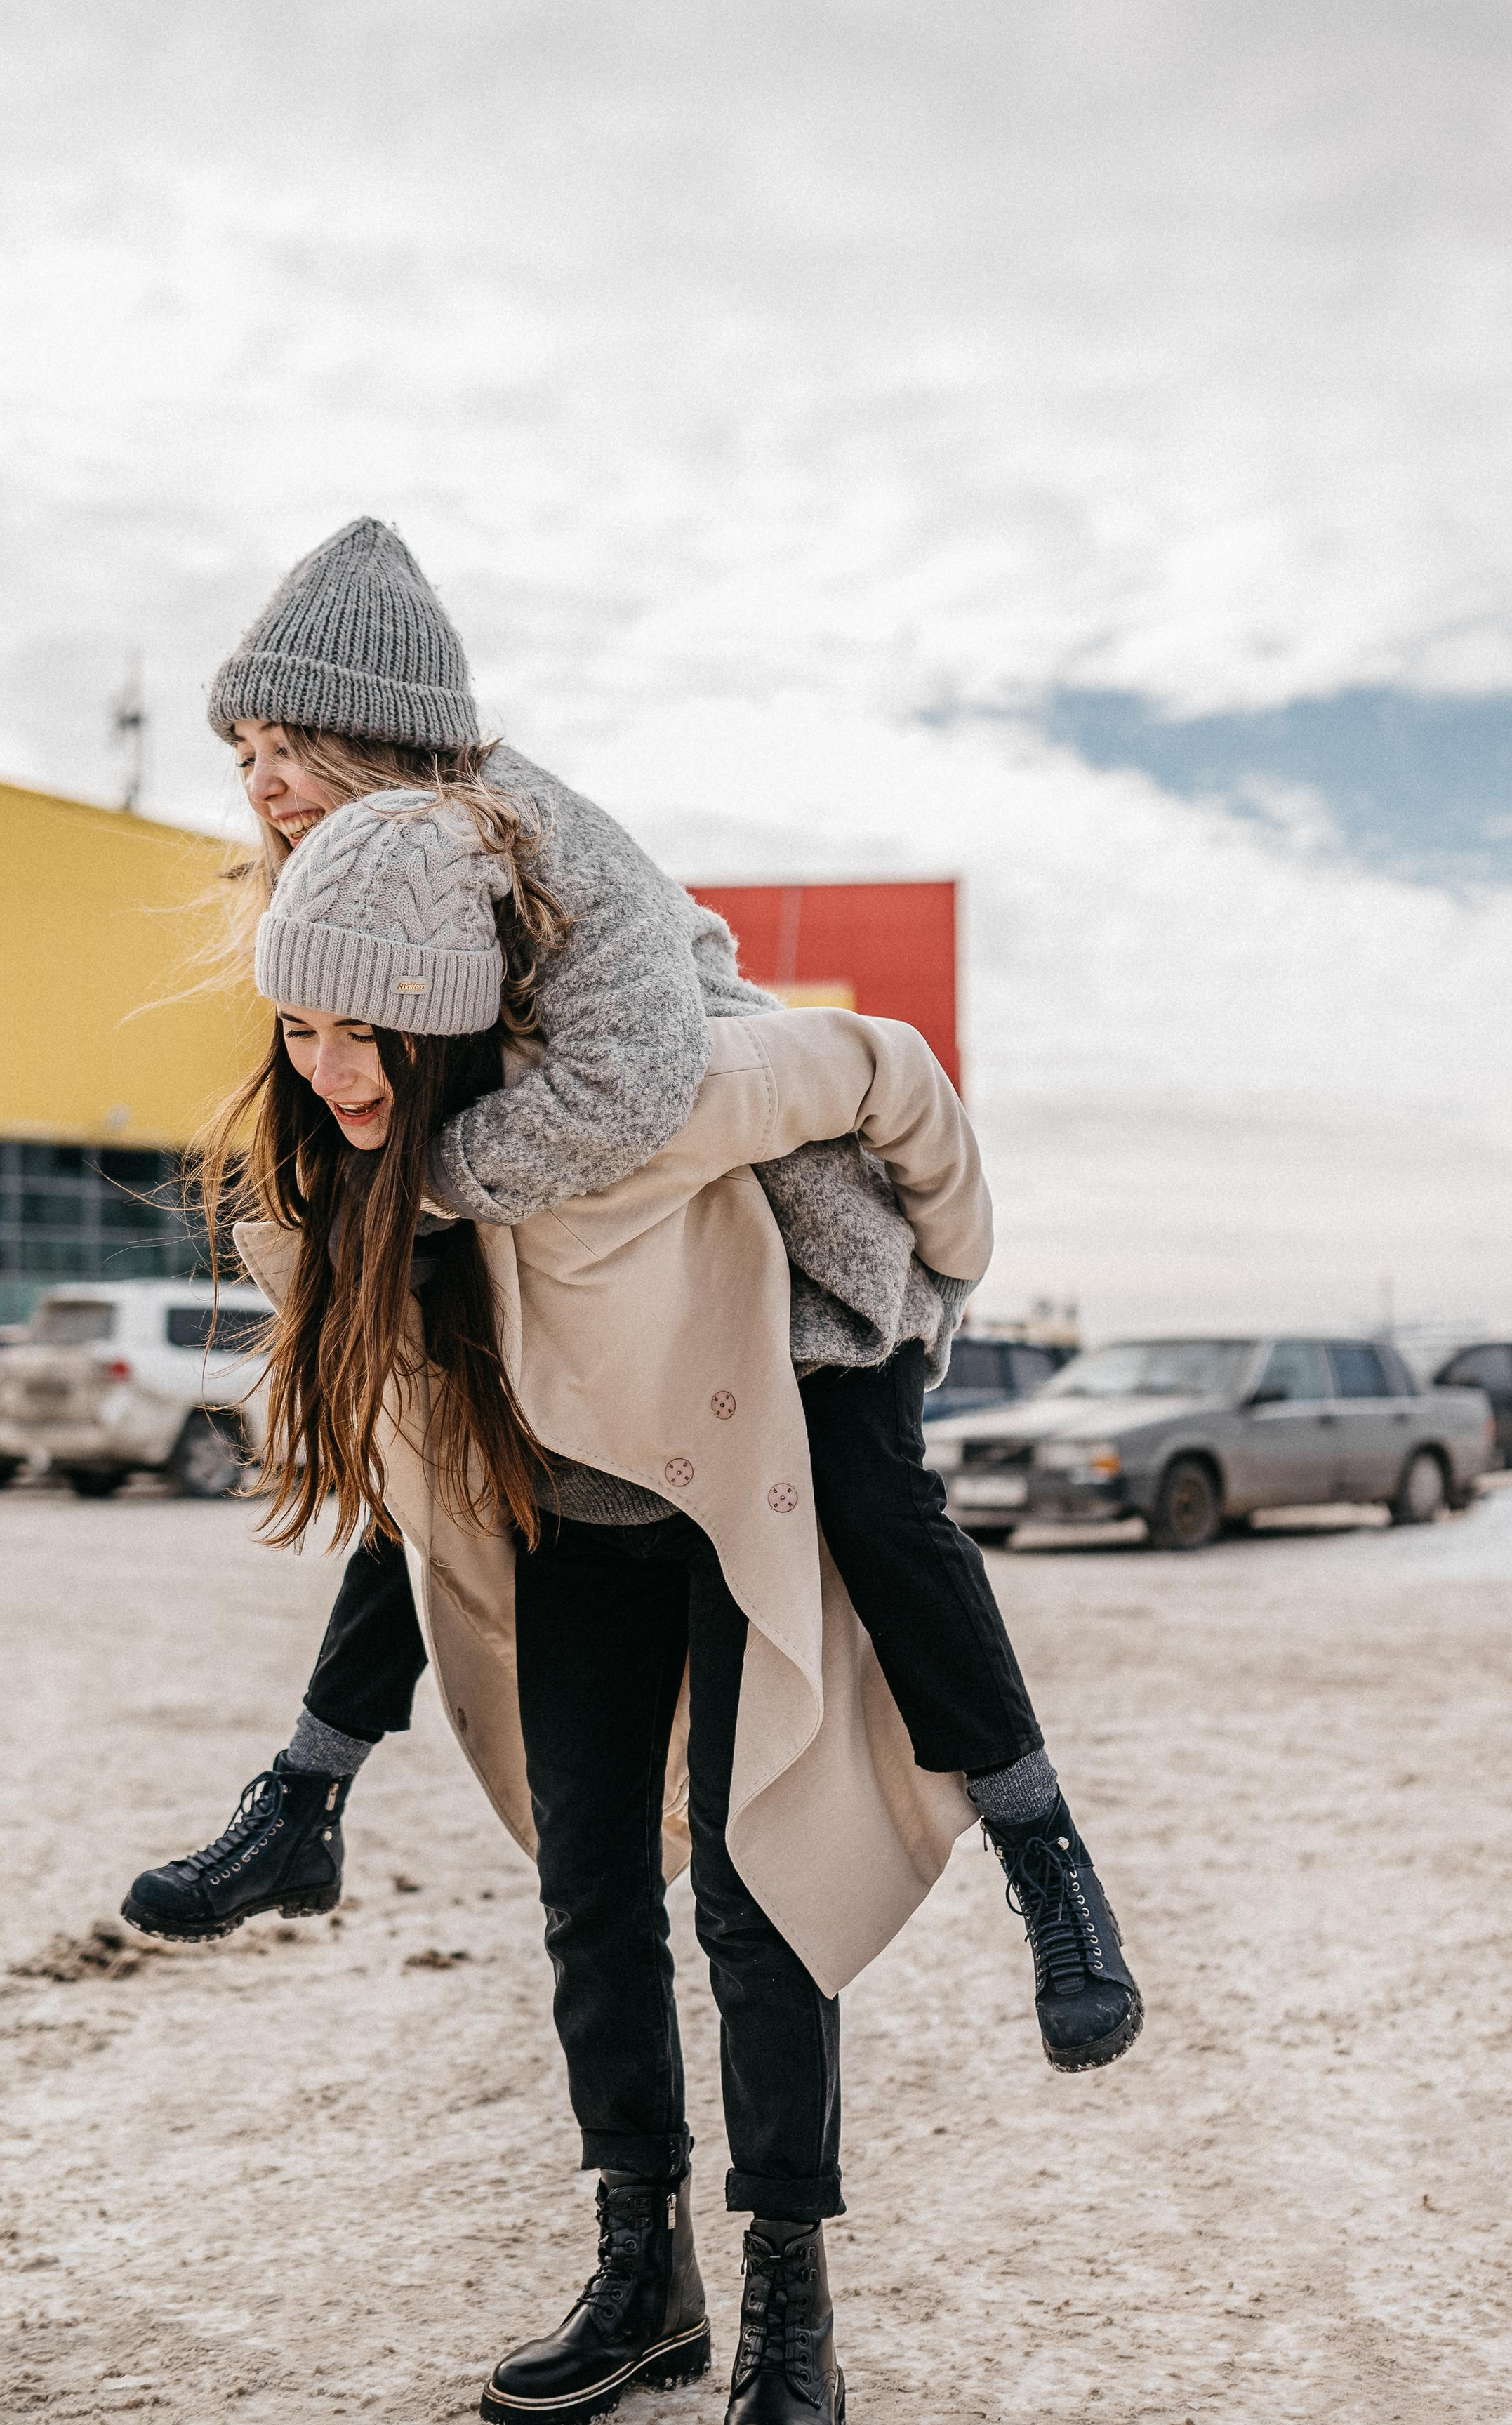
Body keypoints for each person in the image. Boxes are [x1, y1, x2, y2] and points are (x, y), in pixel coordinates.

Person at [140, 782, 1121, 2425]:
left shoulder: (641, 1103)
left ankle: (787, 2305)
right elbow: (405, 1469)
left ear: (447, 1018)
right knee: (589, 1884)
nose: (331, 1068)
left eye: (365, 1033)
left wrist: (943, 1285)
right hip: (576, 1517)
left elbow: (884, 1061)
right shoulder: (349, 1166)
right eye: (299, 1030)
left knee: (756, 1901)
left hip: (741, 1486)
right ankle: (640, 2267)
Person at [126, 517, 1144, 2090]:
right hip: (600, 1265)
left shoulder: (534, 833)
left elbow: (629, 1086)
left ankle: (1046, 1860)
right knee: (421, 1455)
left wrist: (429, 1188)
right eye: (240, 748)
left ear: (387, 733)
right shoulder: (350, 893)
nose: (258, 779)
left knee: (875, 1501)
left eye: (287, 739)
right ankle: (308, 1792)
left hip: (791, 1250)